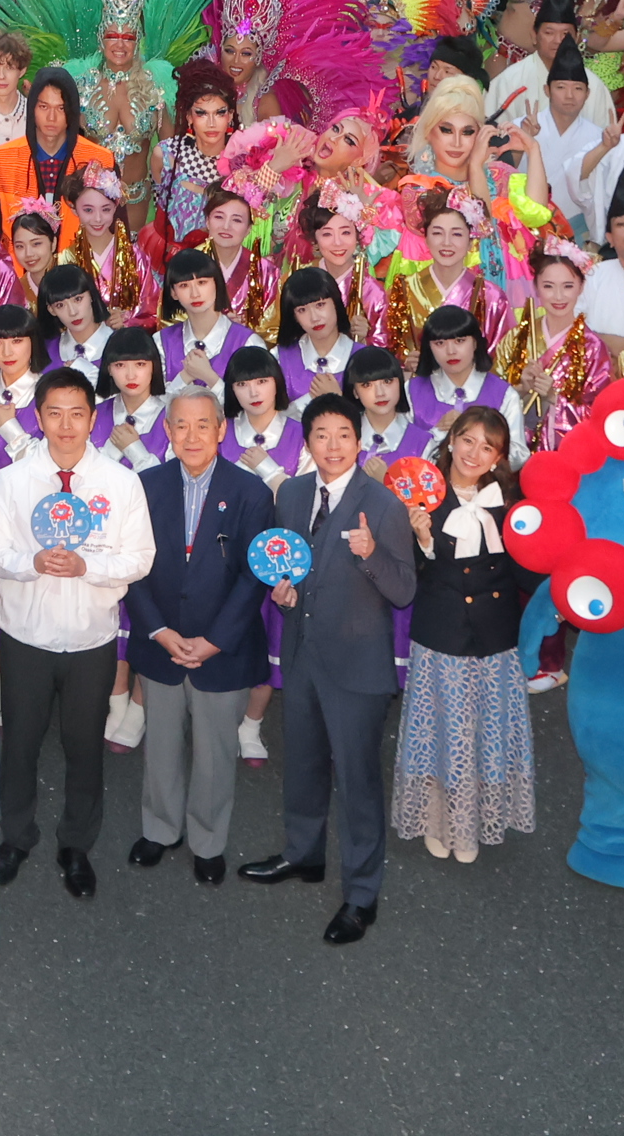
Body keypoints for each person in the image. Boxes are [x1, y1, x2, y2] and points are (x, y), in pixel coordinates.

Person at [241, 392, 418, 944]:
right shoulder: (292, 492)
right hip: (303, 652)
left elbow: (404, 589)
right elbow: (283, 566)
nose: (334, 446)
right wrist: (283, 594)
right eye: (322, 435)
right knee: (304, 763)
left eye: (344, 434)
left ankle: (362, 894)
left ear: (359, 441)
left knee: (359, 780)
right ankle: (303, 853)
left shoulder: (382, 504)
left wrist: (369, 554)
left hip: (358, 664)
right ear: (308, 442)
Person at [0, 366, 155, 897]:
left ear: (92, 419)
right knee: (20, 742)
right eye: (54, 414)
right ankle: (15, 835)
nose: (65, 425)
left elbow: (140, 558)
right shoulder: (14, 480)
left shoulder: (120, 482)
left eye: (77, 414)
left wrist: (90, 568)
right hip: (25, 635)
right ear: (37, 418)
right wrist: (30, 561)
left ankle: (76, 844)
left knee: (84, 746)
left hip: (91, 639)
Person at [126, 384, 273, 882]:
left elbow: (256, 575)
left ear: (221, 430)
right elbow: (133, 568)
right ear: (166, 431)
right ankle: (160, 829)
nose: (191, 436)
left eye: (202, 425)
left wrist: (214, 641)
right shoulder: (144, 487)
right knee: (161, 746)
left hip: (223, 648)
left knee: (215, 753)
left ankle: (209, 840)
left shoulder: (251, 491)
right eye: (181, 425)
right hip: (162, 641)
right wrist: (159, 631)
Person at [396, 402, 533, 862]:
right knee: (443, 733)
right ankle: (438, 822)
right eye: (467, 440)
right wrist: (420, 541)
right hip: (442, 635)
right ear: (451, 441)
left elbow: (526, 571)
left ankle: (473, 824)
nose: (475, 453)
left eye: (488, 447)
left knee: (487, 733)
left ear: (499, 457)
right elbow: (404, 576)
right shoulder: (421, 495)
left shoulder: (511, 503)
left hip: (496, 638)